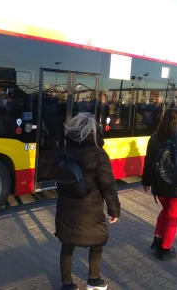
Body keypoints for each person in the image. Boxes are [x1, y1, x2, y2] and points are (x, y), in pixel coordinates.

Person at [55, 114, 121, 290]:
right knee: (97, 242)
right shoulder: (99, 155)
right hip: (90, 208)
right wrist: (114, 211)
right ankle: (94, 280)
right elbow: (108, 186)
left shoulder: (64, 150)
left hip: (66, 205)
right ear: (93, 131)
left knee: (67, 244)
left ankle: (67, 285)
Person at [142, 108, 177, 261]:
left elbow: (148, 162)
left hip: (160, 185)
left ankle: (157, 241)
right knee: (173, 217)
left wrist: (146, 182)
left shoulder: (154, 138)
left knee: (166, 211)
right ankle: (165, 249)